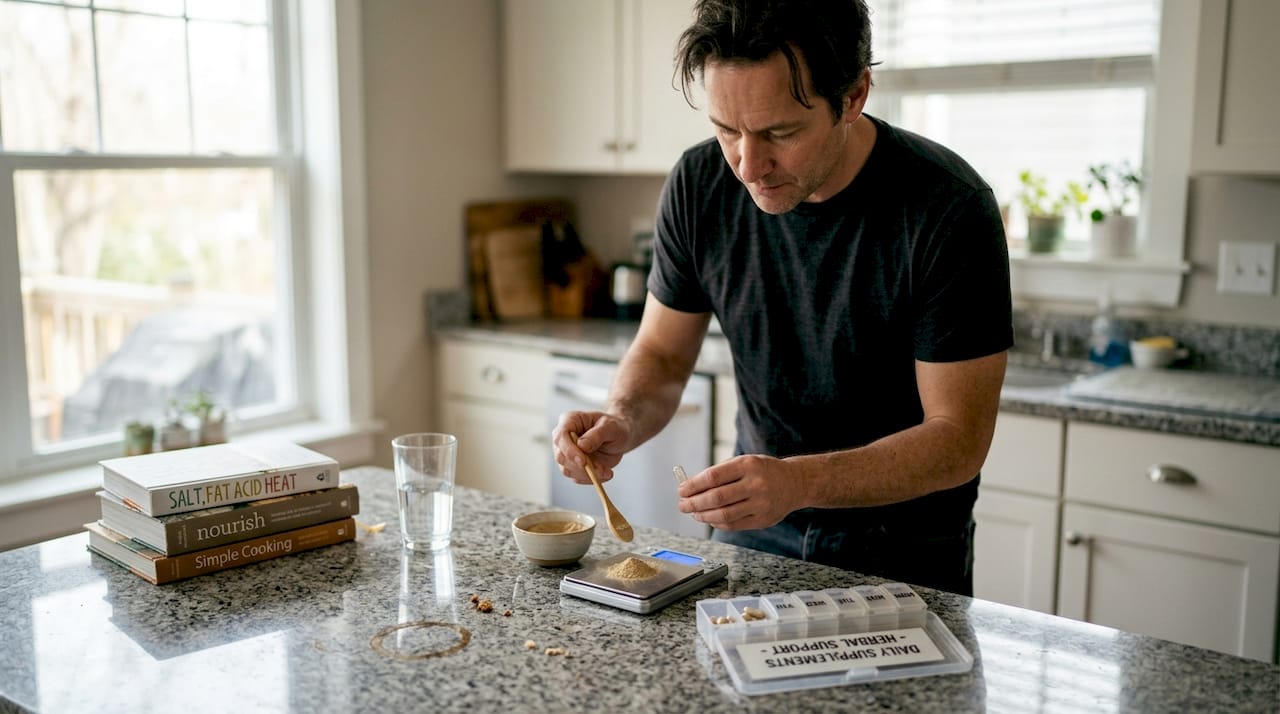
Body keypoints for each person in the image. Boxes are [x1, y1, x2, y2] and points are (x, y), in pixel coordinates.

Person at [552, 0, 1011, 596]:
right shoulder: (698, 186)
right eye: (726, 130)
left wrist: (800, 482)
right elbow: (663, 356)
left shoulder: (947, 209)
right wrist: (621, 418)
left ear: (854, 96)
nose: (748, 164)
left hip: (906, 549)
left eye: (780, 133)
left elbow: (957, 439)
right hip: (753, 532)